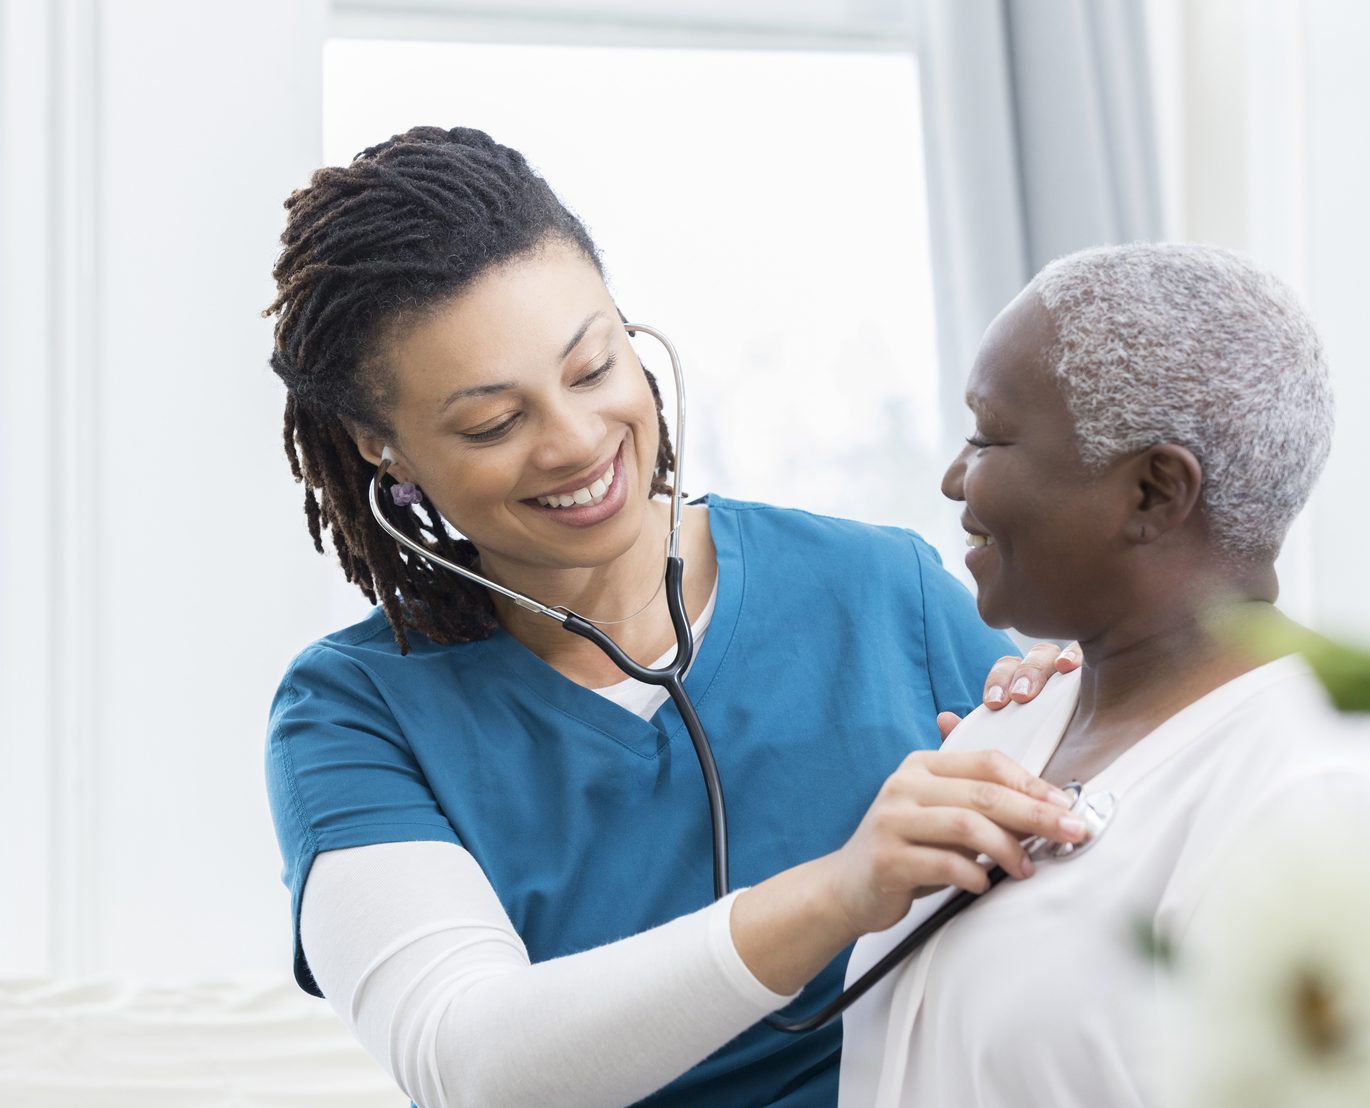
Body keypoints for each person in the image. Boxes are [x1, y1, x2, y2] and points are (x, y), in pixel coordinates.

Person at [262, 125, 1084, 1108]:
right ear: (380, 447)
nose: (573, 442)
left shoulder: (877, 591)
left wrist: (1085, 719)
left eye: (592, 366)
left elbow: (1105, 893)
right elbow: (471, 1065)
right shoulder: (355, 714)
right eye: (492, 422)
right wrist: (837, 891)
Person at [837, 243, 1370, 1107]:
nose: (952, 478)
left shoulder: (1327, 789)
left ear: (1155, 492)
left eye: (989, 435)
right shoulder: (1013, 720)